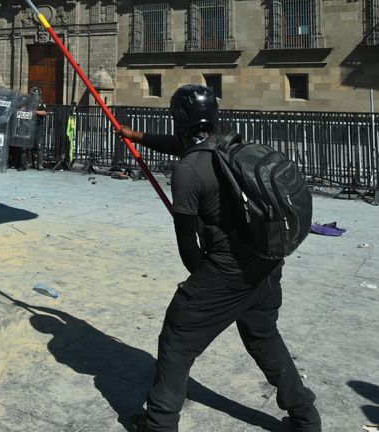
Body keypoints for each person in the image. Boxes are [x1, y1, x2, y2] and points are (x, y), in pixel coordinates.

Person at [120, 84, 320, 432]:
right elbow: (185, 149)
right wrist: (136, 135)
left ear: (179, 120)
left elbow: (187, 246)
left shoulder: (187, 171)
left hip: (226, 273)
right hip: (267, 266)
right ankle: (305, 417)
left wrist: (204, 288)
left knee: (177, 341)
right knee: (263, 338)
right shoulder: (230, 148)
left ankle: (158, 425)